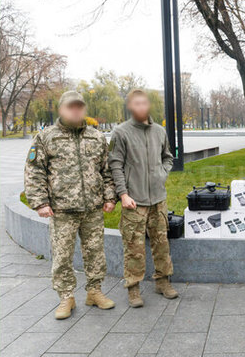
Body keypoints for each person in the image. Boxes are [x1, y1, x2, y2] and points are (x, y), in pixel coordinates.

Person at [24, 91, 116, 320]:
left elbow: (106, 170)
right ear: (62, 109)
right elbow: (34, 171)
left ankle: (94, 291)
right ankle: (66, 297)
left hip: (93, 208)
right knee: (62, 256)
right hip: (62, 209)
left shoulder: (96, 137)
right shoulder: (47, 137)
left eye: (79, 106)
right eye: (70, 106)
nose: (75, 110)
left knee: (95, 253)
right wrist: (40, 202)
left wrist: (109, 197)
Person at [108, 89, 178, 308]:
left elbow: (168, 157)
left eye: (144, 103)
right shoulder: (121, 132)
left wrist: (161, 174)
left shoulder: (159, 131)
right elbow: (115, 165)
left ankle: (162, 281)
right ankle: (133, 288)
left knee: (161, 244)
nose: (141, 107)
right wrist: (123, 194)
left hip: (158, 198)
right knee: (133, 247)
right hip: (134, 201)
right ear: (130, 106)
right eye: (136, 104)